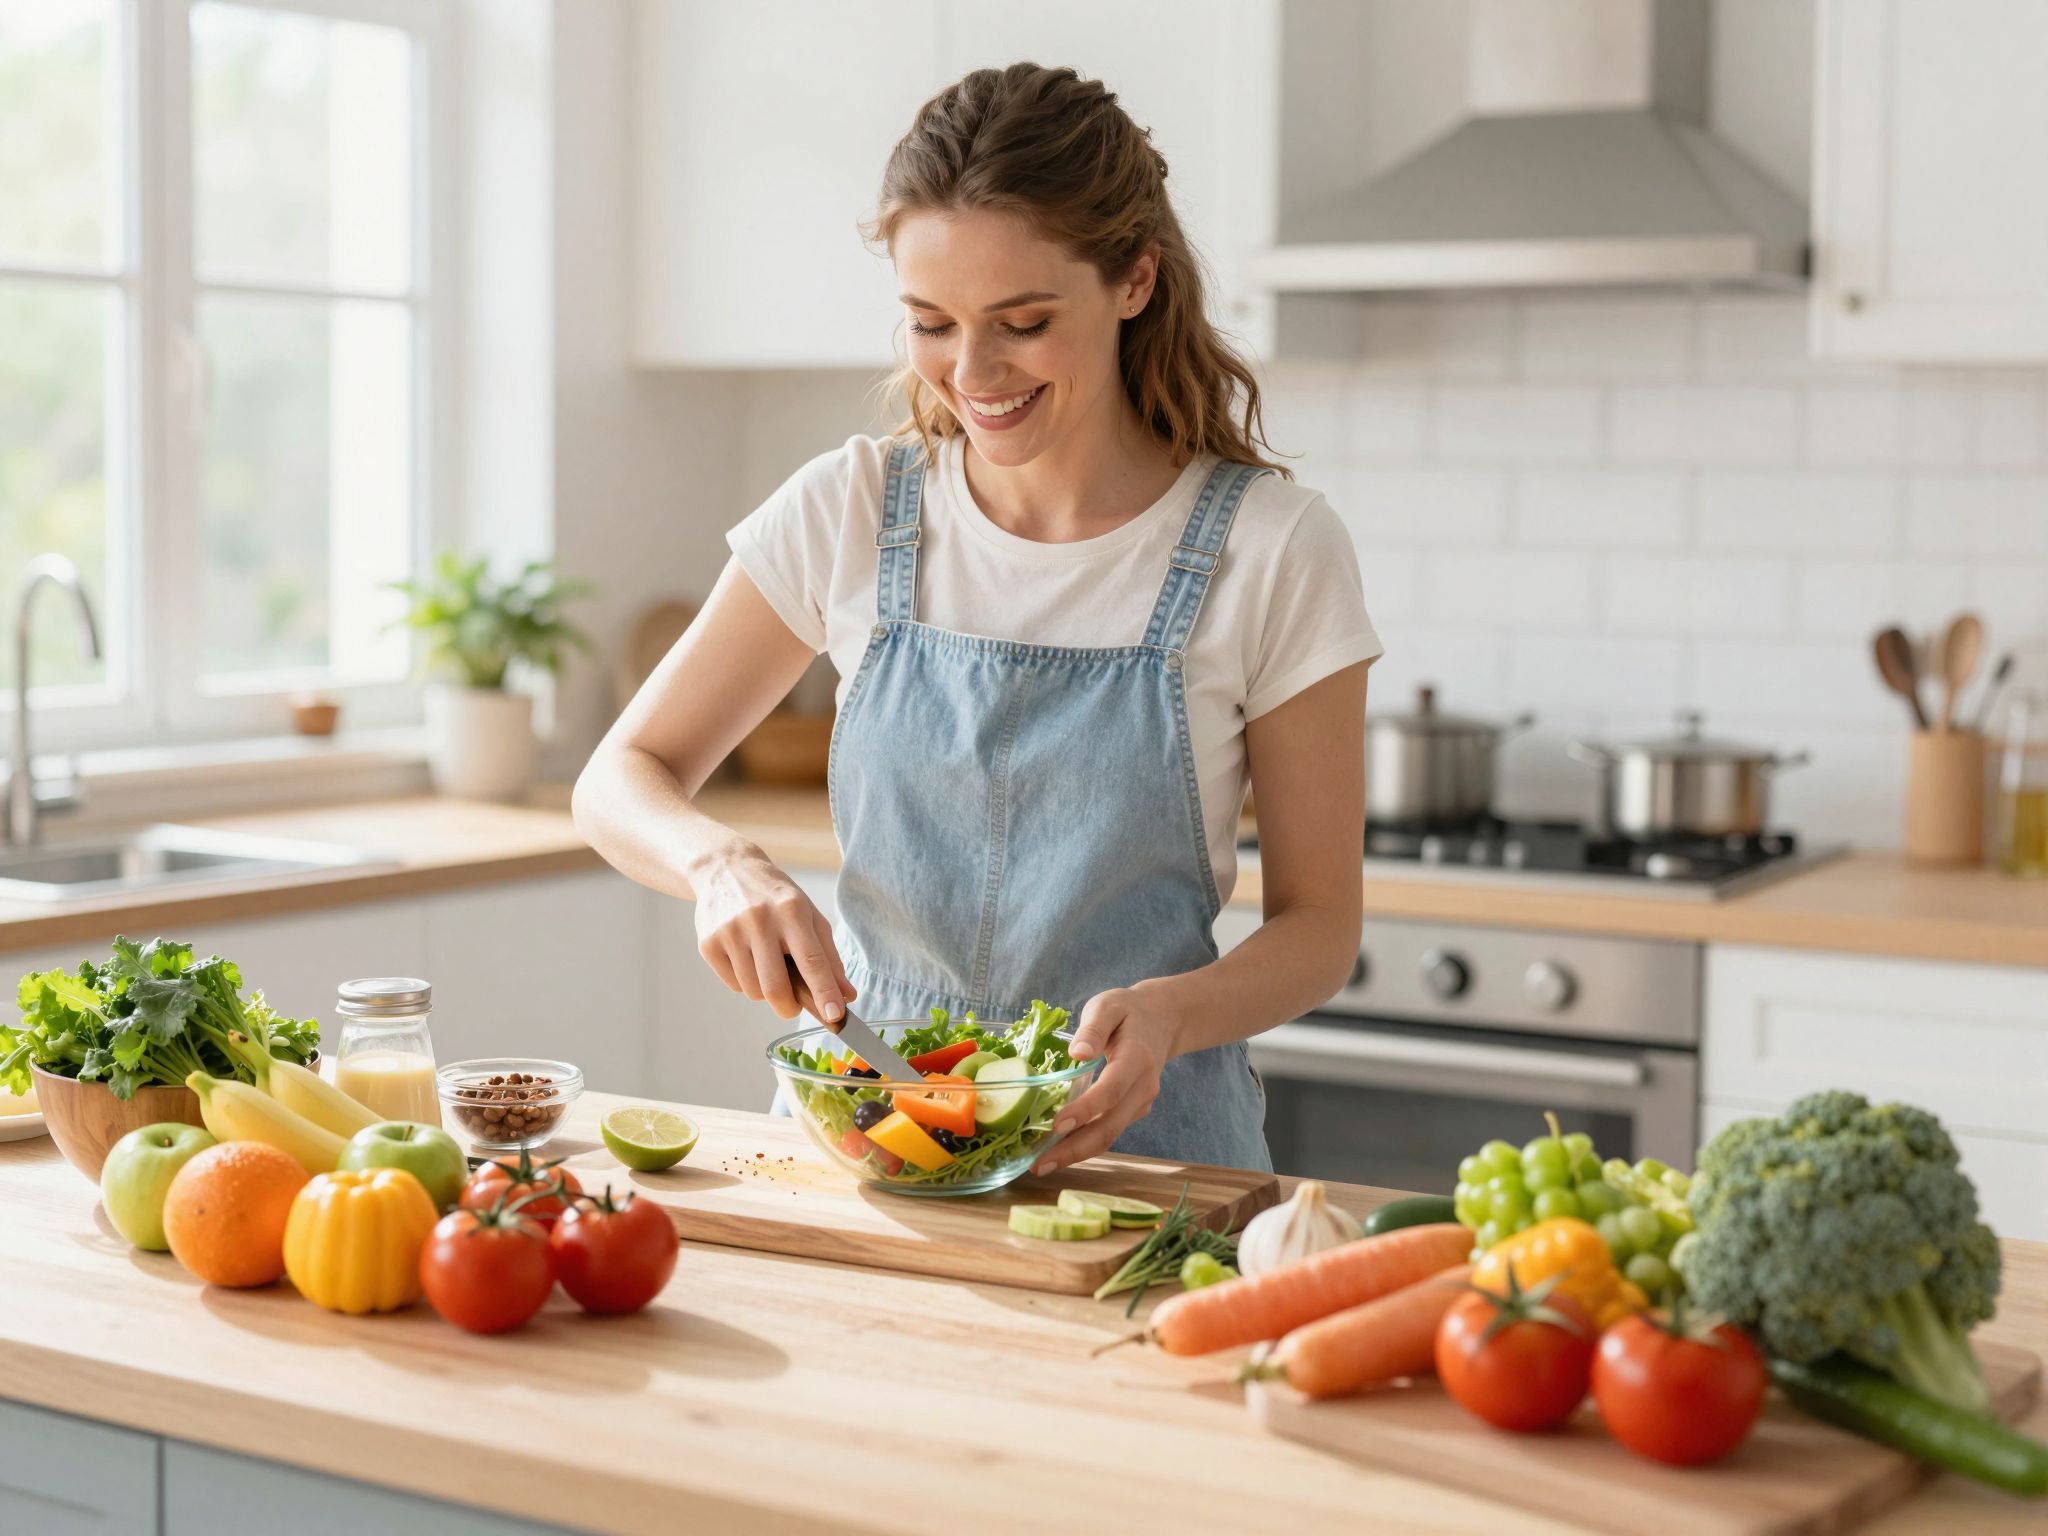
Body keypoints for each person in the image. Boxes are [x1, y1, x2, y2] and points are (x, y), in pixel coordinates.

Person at [575, 62, 1378, 1174]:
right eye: (930, 322)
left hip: (1142, 1157)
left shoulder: (1273, 549)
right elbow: (619, 778)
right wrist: (718, 864)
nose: (972, 370)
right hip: (871, 1139)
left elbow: (1319, 927)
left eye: (1023, 322)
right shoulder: (851, 509)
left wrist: (1171, 1013)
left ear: (1135, 280)